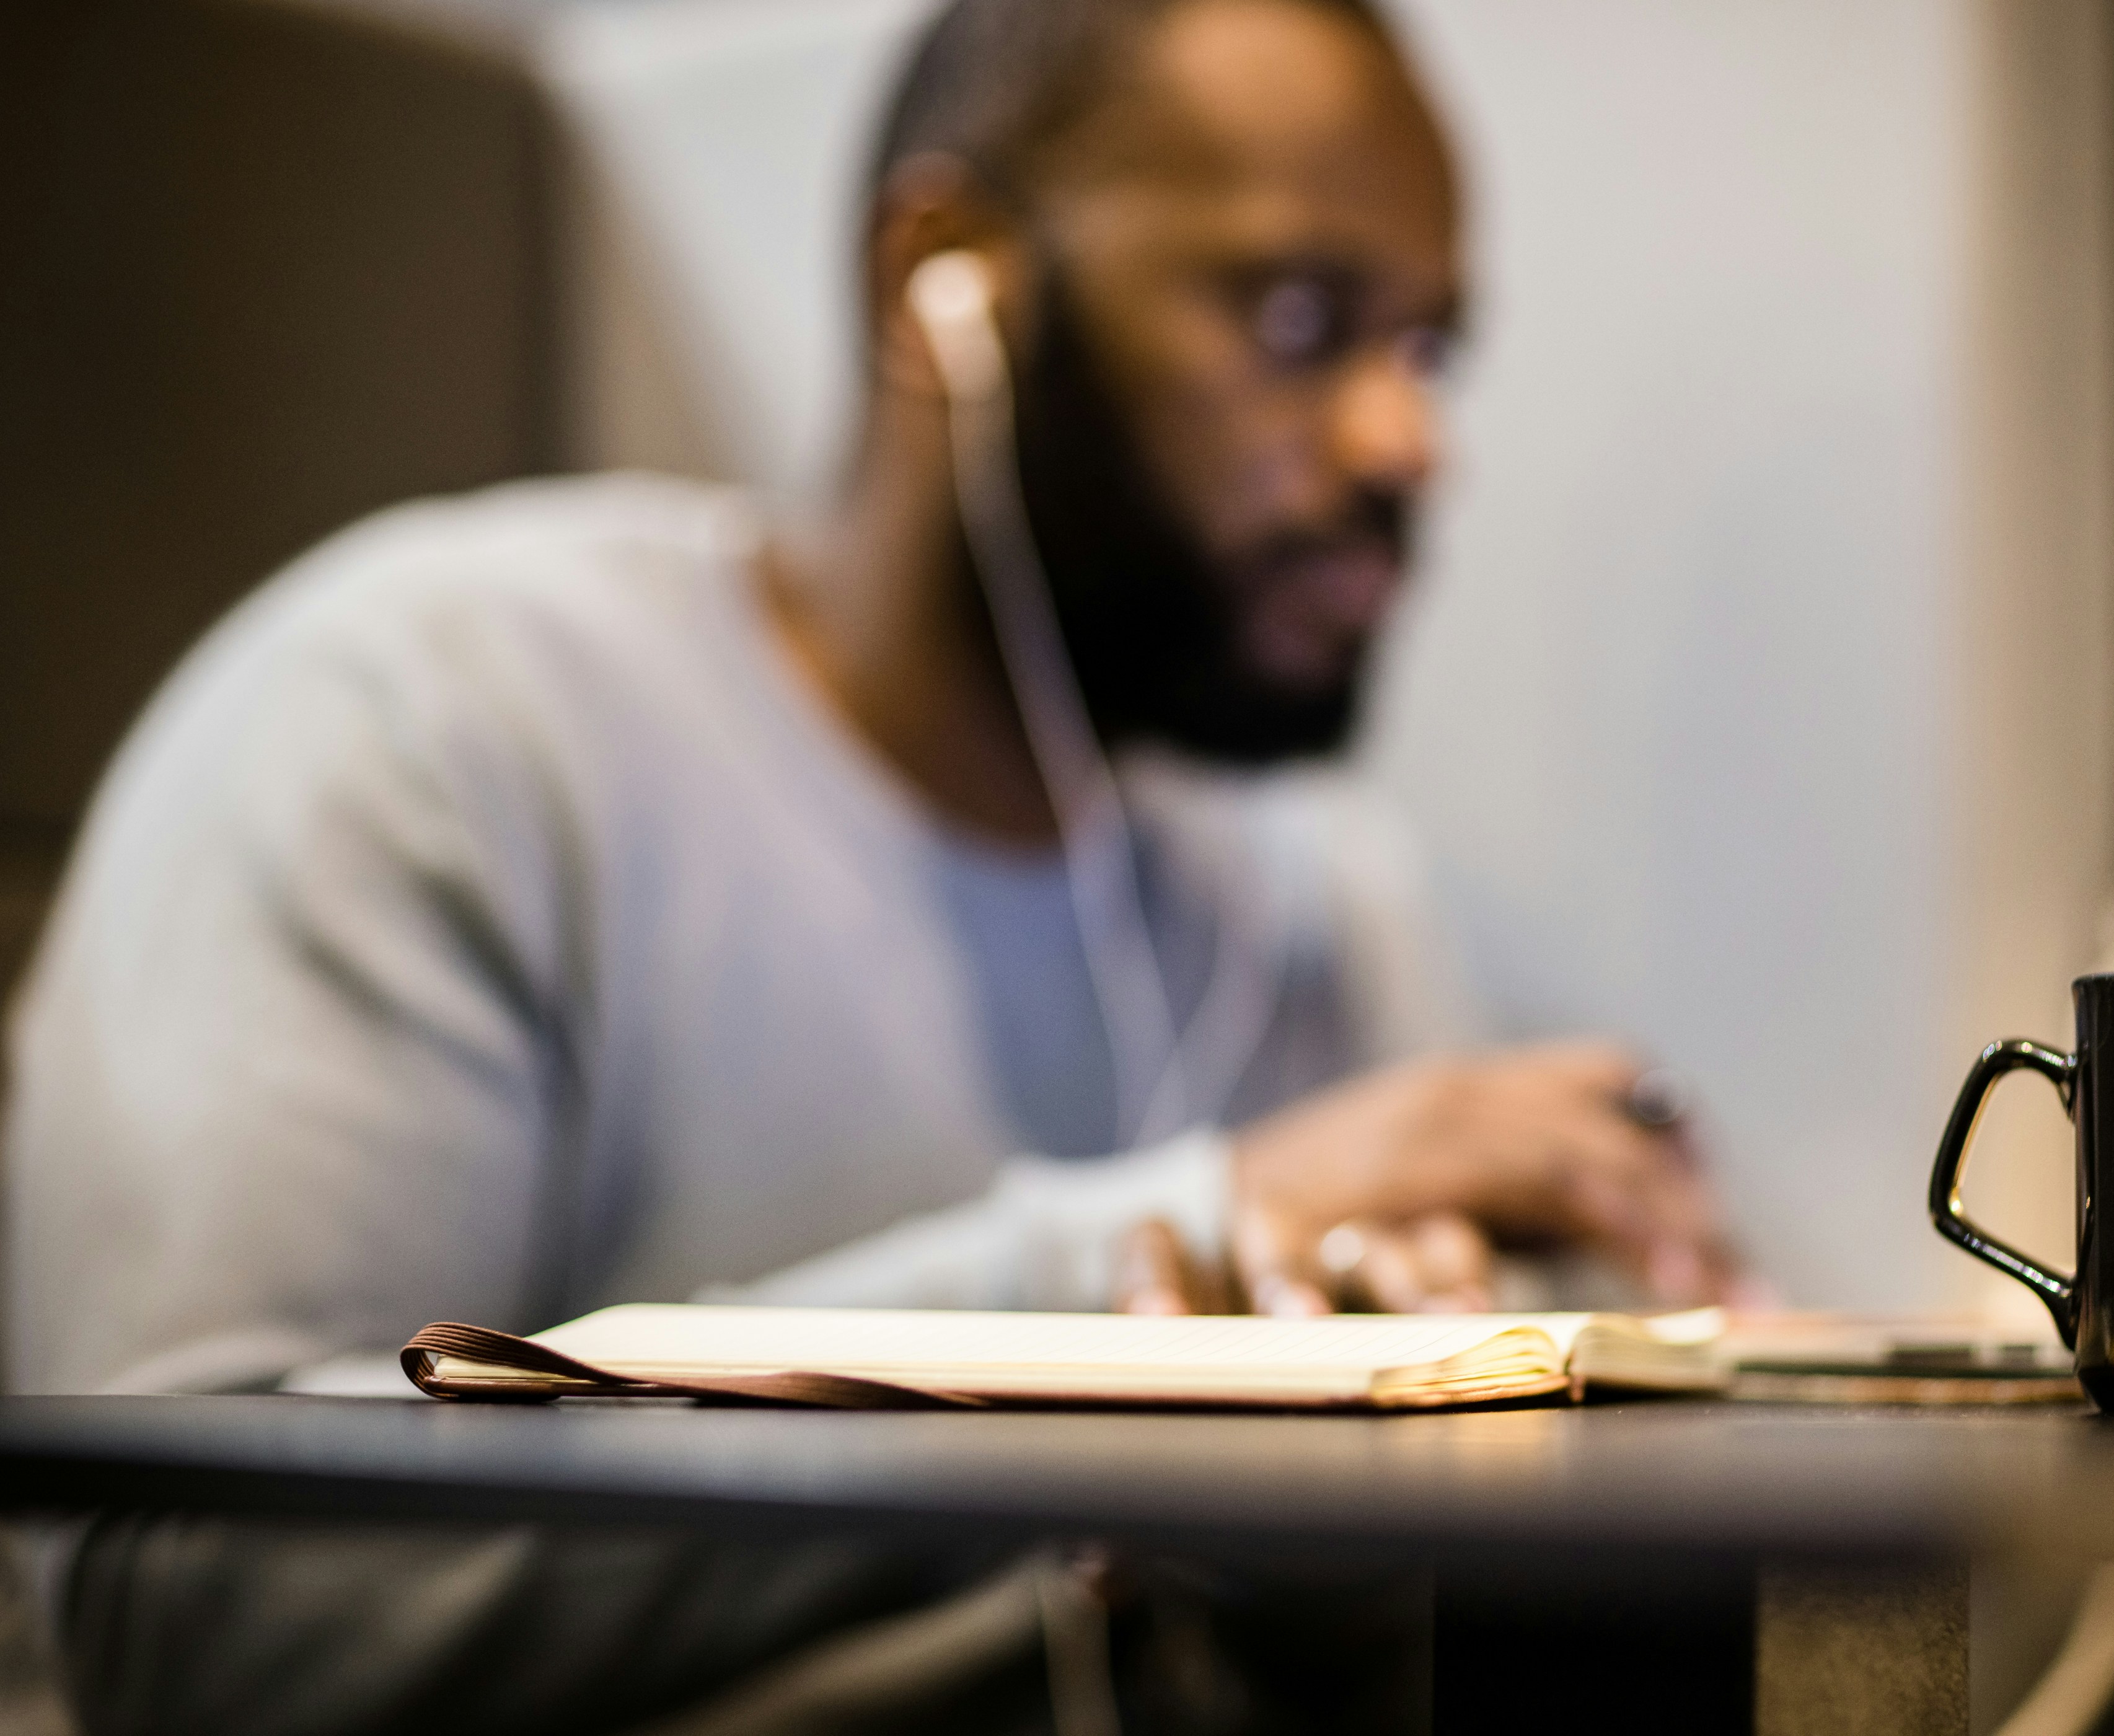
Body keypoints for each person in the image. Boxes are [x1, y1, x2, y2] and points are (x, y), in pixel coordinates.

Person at [3, 0, 1741, 1727]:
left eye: (1429, 350)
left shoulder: (1305, 897)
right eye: (1297, 317)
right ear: (942, 280)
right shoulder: (432, 726)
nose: (1405, 443)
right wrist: (1133, 1286)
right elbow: (179, 1609)